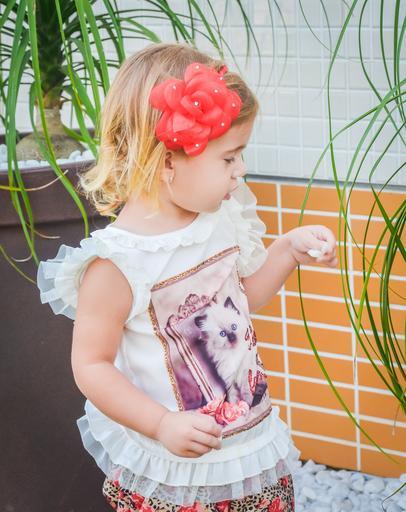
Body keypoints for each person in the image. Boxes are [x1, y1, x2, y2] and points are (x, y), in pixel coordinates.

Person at [37, 42, 338, 512]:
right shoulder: (116, 263)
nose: (240, 171)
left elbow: (243, 299)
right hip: (178, 469)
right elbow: (92, 365)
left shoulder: (220, 220)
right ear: (166, 162)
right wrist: (160, 424)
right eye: (229, 158)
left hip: (246, 445)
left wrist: (286, 251)